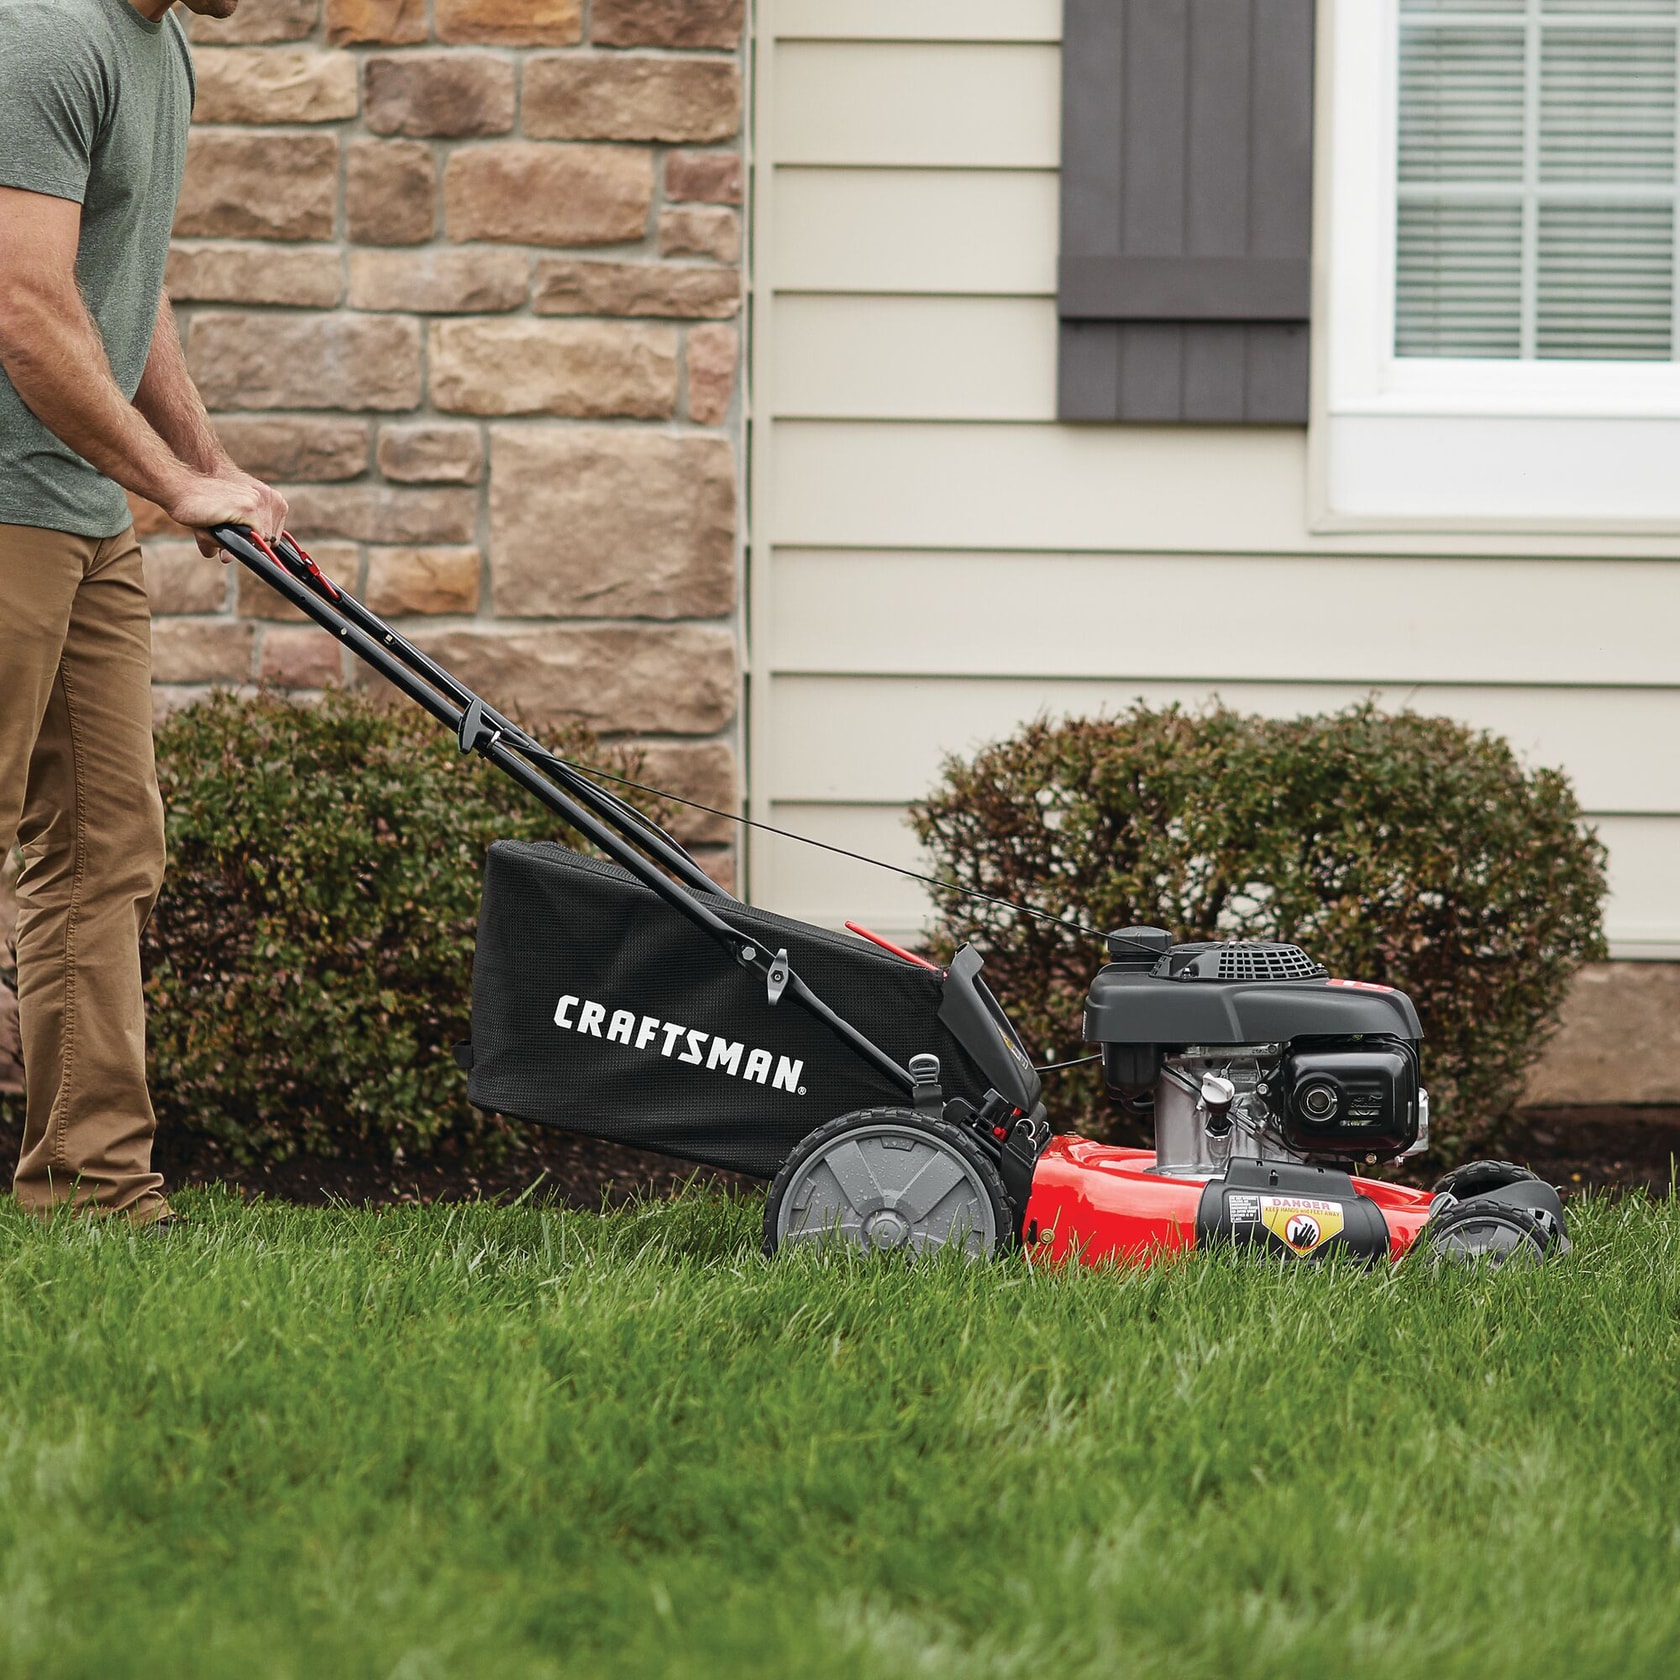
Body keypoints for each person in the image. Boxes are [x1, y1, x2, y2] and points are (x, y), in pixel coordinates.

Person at [0, 0, 287, 1224]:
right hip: (6, 502)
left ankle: (94, 1189)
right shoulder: (45, 35)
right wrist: (170, 482)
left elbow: (123, 289)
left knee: (105, 845)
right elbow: (24, 303)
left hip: (81, 506)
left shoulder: (161, 45)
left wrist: (210, 472)